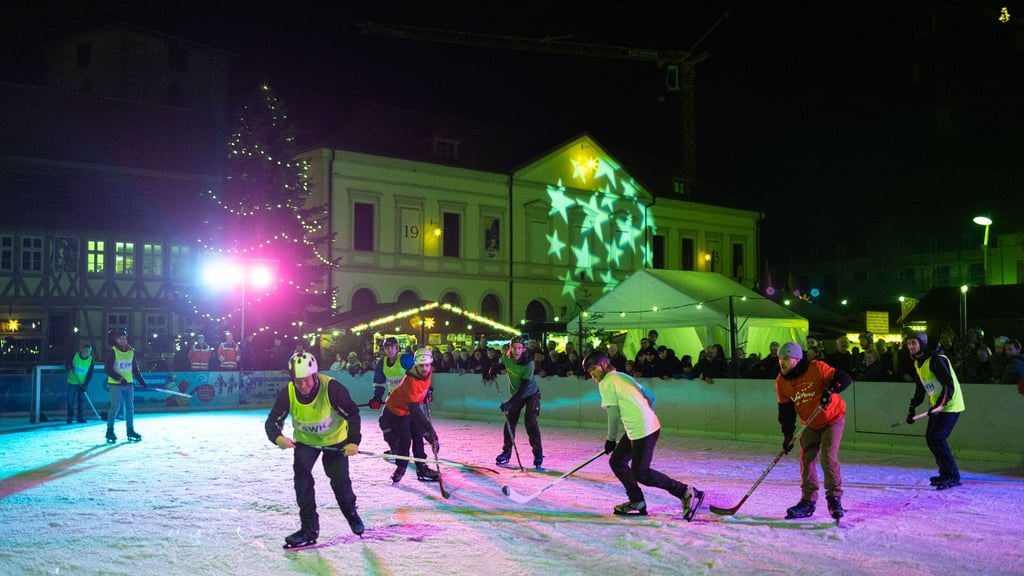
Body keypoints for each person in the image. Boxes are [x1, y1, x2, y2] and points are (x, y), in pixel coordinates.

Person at [583, 352, 704, 521]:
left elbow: (613, 415)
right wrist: (645, 414)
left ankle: (684, 491)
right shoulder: (621, 376)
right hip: (643, 427)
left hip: (643, 430)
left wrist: (610, 439)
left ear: (603, 365)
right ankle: (637, 501)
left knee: (641, 473)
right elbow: (650, 396)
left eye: (593, 369)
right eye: (589, 372)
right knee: (617, 462)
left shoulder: (607, 382)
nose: (592, 374)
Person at [264, 351, 364, 547]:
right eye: (298, 380)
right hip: (306, 443)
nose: (303, 385)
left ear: (315, 375)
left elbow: (352, 414)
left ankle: (351, 513)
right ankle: (309, 529)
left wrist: (353, 441)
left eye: (307, 380)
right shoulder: (288, 392)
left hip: (335, 442)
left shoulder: (332, 389)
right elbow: (272, 422)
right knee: (302, 483)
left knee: (340, 483)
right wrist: (278, 438)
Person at [775, 341, 852, 520]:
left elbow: (844, 378)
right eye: (780, 358)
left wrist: (831, 389)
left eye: (786, 358)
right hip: (809, 422)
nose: (781, 362)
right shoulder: (781, 381)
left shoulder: (816, 368)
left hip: (832, 418)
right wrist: (788, 436)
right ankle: (808, 500)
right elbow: (785, 412)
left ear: (796, 359)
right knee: (806, 458)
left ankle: (834, 498)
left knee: (827, 457)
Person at [903, 332, 965, 490]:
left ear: (922, 343)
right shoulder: (918, 363)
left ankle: (952, 475)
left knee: (937, 437)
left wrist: (939, 406)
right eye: (908, 343)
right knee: (931, 438)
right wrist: (912, 408)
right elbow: (920, 388)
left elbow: (948, 385)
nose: (910, 346)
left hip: (950, 405)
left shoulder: (936, 360)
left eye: (913, 343)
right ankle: (945, 473)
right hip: (937, 406)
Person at [378, 347, 441, 483]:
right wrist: (429, 429)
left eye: (427, 365)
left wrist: (427, 392)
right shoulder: (410, 382)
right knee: (405, 440)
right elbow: (414, 410)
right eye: (421, 366)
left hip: (411, 407)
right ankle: (401, 468)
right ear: (415, 365)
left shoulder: (428, 372)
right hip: (397, 410)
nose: (425, 369)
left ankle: (422, 468)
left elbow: (425, 386)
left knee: (418, 436)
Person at [496, 336, 544, 468]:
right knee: (509, 421)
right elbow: (503, 364)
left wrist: (511, 403)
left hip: (531, 394)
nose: (517, 351)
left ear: (523, 349)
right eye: (514, 348)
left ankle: (538, 454)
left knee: (530, 420)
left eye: (519, 348)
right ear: (510, 348)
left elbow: (524, 387)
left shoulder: (529, 363)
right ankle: (506, 452)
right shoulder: (506, 357)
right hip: (516, 393)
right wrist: (494, 368)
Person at [103, 328, 146, 443]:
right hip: (116, 384)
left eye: (124, 338)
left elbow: (134, 369)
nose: (123, 340)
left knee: (130, 408)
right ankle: (110, 430)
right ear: (116, 340)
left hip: (129, 384)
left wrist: (142, 381)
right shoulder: (112, 352)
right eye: (120, 338)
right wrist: (119, 378)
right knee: (115, 407)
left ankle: (130, 430)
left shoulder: (130, 352)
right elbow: (107, 369)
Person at [370, 337, 413, 409]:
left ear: (397, 348)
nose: (390, 350)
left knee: (417, 418)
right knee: (384, 419)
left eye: (392, 347)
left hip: (409, 398)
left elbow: (419, 375)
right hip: (393, 397)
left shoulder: (405, 359)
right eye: (387, 348)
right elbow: (379, 383)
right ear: (384, 349)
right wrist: (377, 397)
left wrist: (426, 391)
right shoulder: (381, 363)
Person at [66, 343, 94, 424]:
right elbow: (67, 364)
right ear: (81, 349)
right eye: (85, 350)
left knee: (81, 401)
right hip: (72, 382)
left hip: (82, 384)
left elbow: (90, 373)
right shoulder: (74, 355)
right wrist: (70, 366)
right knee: (70, 400)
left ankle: (80, 417)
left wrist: (86, 384)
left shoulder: (91, 360)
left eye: (89, 351)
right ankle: (70, 417)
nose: (87, 352)